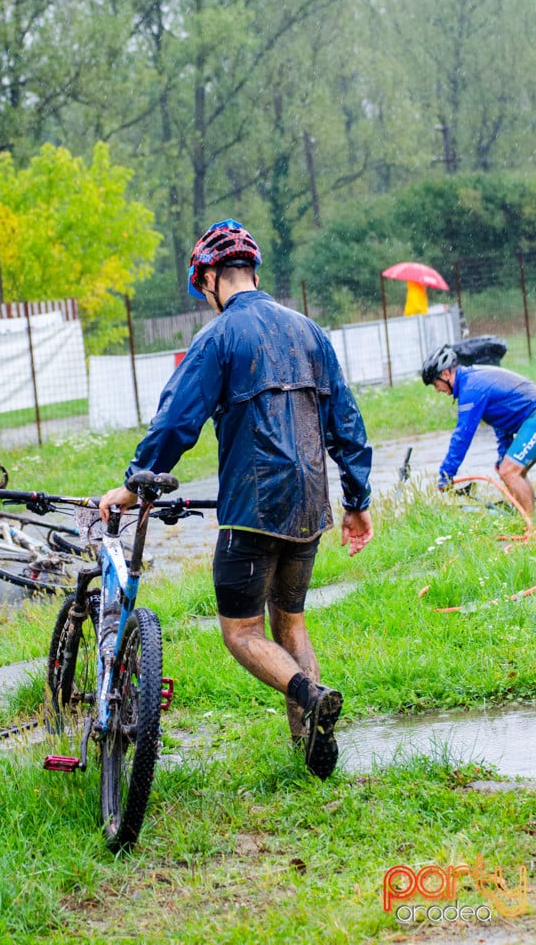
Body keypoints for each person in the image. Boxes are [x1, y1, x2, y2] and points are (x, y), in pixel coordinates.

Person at [100, 219, 373, 780]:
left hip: (254, 506)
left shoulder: (219, 337)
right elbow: (347, 420)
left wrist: (133, 485)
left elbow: (177, 422)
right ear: (251, 270)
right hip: (309, 506)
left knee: (241, 632)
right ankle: (311, 754)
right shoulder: (310, 331)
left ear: (210, 279)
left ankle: (310, 695)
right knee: (291, 622)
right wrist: (357, 499)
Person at [421, 344, 536, 514]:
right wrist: (503, 454)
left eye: (435, 384)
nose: (437, 390)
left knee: (510, 471)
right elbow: (503, 420)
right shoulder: (472, 380)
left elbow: (462, 436)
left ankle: (531, 529)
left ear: (445, 374)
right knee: (508, 469)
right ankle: (528, 521)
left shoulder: (471, 388)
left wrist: (446, 474)